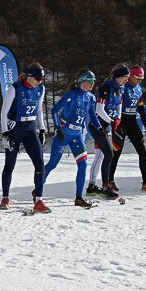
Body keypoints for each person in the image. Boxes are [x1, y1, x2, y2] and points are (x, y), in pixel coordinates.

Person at [43, 70, 100, 208]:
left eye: (93, 82)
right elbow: (54, 110)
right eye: (90, 81)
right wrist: (58, 128)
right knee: (52, 164)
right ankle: (37, 189)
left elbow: (93, 116)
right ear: (82, 81)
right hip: (64, 134)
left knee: (83, 164)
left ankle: (79, 198)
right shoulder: (72, 94)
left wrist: (100, 128)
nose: (92, 84)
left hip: (77, 135)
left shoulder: (91, 98)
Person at [0, 62, 50, 213]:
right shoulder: (15, 88)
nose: (39, 82)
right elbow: (4, 112)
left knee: (40, 164)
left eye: (41, 79)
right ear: (29, 76)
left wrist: (42, 129)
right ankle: (5, 197)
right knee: (10, 164)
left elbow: (39, 110)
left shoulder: (41, 89)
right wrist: (5, 133)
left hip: (30, 130)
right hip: (14, 130)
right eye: (37, 79)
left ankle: (38, 200)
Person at [110, 64, 146, 193]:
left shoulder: (138, 89)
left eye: (141, 79)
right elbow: (115, 105)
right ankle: (110, 181)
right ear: (130, 76)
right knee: (116, 153)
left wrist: (145, 124)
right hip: (121, 123)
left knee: (142, 152)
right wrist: (115, 122)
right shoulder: (123, 87)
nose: (139, 81)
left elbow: (140, 107)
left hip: (132, 123)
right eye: (137, 78)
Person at [88, 64, 130, 198]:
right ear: (118, 76)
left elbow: (119, 105)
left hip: (107, 126)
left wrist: (118, 118)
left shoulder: (121, 88)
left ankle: (91, 186)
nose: (127, 80)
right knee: (109, 155)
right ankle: (105, 186)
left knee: (100, 156)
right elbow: (99, 109)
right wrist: (111, 120)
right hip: (97, 126)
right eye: (125, 77)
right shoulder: (106, 87)